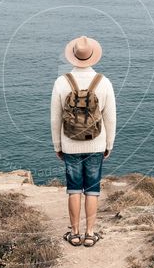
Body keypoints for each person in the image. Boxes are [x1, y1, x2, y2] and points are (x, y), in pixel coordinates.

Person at [50, 35, 116, 247]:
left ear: (73, 57)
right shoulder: (104, 82)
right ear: (92, 57)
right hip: (96, 143)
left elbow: (55, 118)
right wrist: (109, 145)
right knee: (92, 189)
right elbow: (110, 118)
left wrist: (58, 146)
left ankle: (75, 233)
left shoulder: (62, 82)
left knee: (74, 189)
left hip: (70, 143)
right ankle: (90, 234)